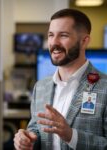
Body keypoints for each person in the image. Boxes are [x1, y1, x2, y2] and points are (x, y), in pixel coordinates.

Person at [14, 8, 107, 150]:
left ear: (84, 41)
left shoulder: (104, 87)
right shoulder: (40, 87)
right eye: (51, 35)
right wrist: (28, 139)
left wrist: (71, 135)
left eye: (63, 35)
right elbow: (36, 129)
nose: (54, 43)